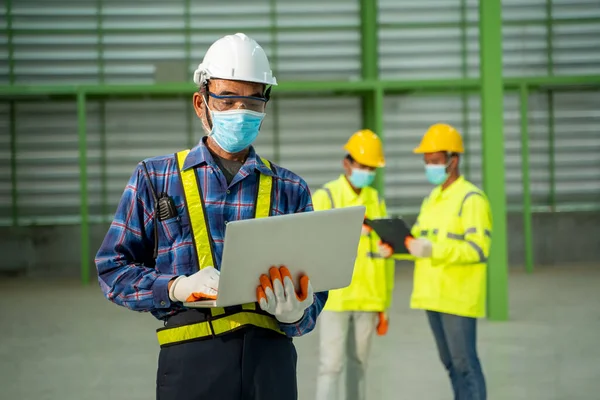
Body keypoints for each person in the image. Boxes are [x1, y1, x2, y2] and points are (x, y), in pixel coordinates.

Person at [95, 32, 328, 400]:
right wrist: (174, 287)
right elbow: (112, 270)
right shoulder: (155, 178)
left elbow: (315, 294)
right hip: (190, 364)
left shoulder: (291, 188)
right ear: (200, 103)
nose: (241, 111)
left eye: (253, 101)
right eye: (228, 98)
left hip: (270, 366)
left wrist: (296, 312)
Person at [380, 123, 491, 400]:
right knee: (451, 365)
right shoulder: (432, 199)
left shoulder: (471, 199)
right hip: (433, 296)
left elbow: (478, 250)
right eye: (427, 162)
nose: (430, 167)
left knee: (465, 365)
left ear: (454, 160)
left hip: (458, 298)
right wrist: (395, 247)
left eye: (436, 161)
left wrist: (432, 250)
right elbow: (418, 241)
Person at [313, 129, 395, 400]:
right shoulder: (326, 197)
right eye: (362, 166)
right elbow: (309, 241)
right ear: (346, 164)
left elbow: (384, 257)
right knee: (331, 366)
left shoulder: (375, 199)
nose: (367, 172)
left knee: (359, 366)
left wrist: (383, 304)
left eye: (371, 168)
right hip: (336, 297)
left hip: (369, 298)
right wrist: (346, 231)